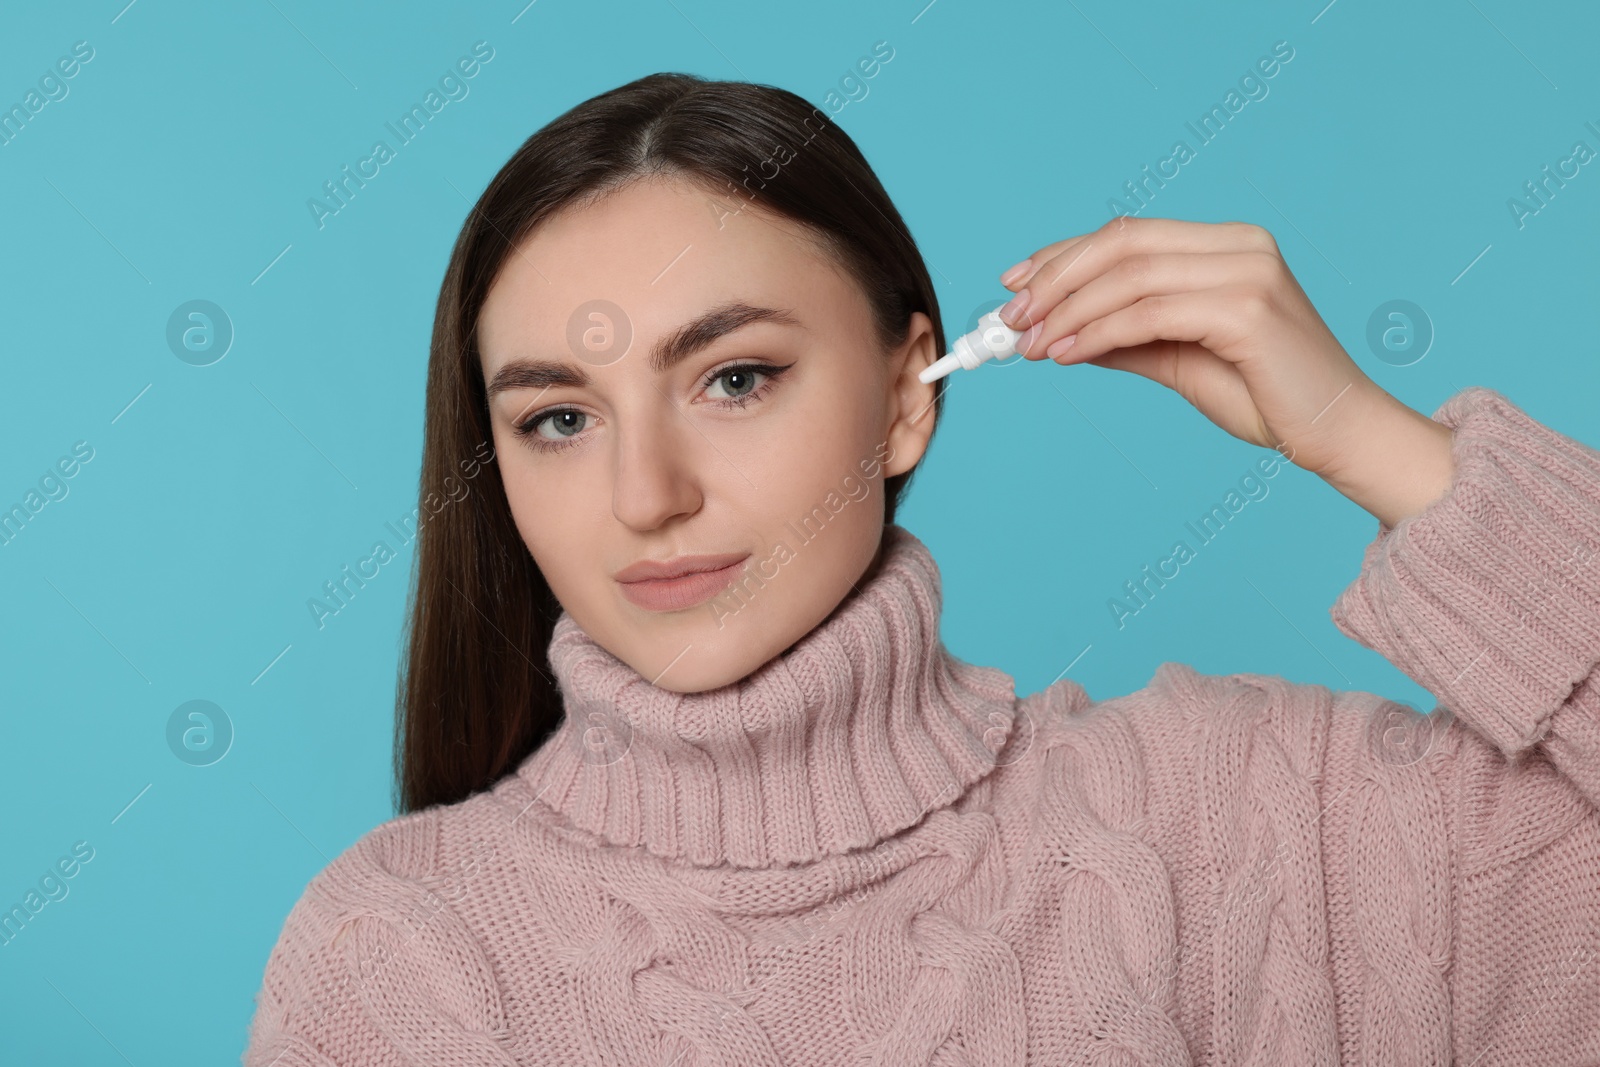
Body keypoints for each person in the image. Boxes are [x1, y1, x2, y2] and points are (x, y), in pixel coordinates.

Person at [243, 72, 1600, 1065]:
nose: (644, 497)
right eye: (558, 418)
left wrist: (1372, 441)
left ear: (907, 396)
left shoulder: (1259, 829)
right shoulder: (405, 959)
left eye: (733, 378)